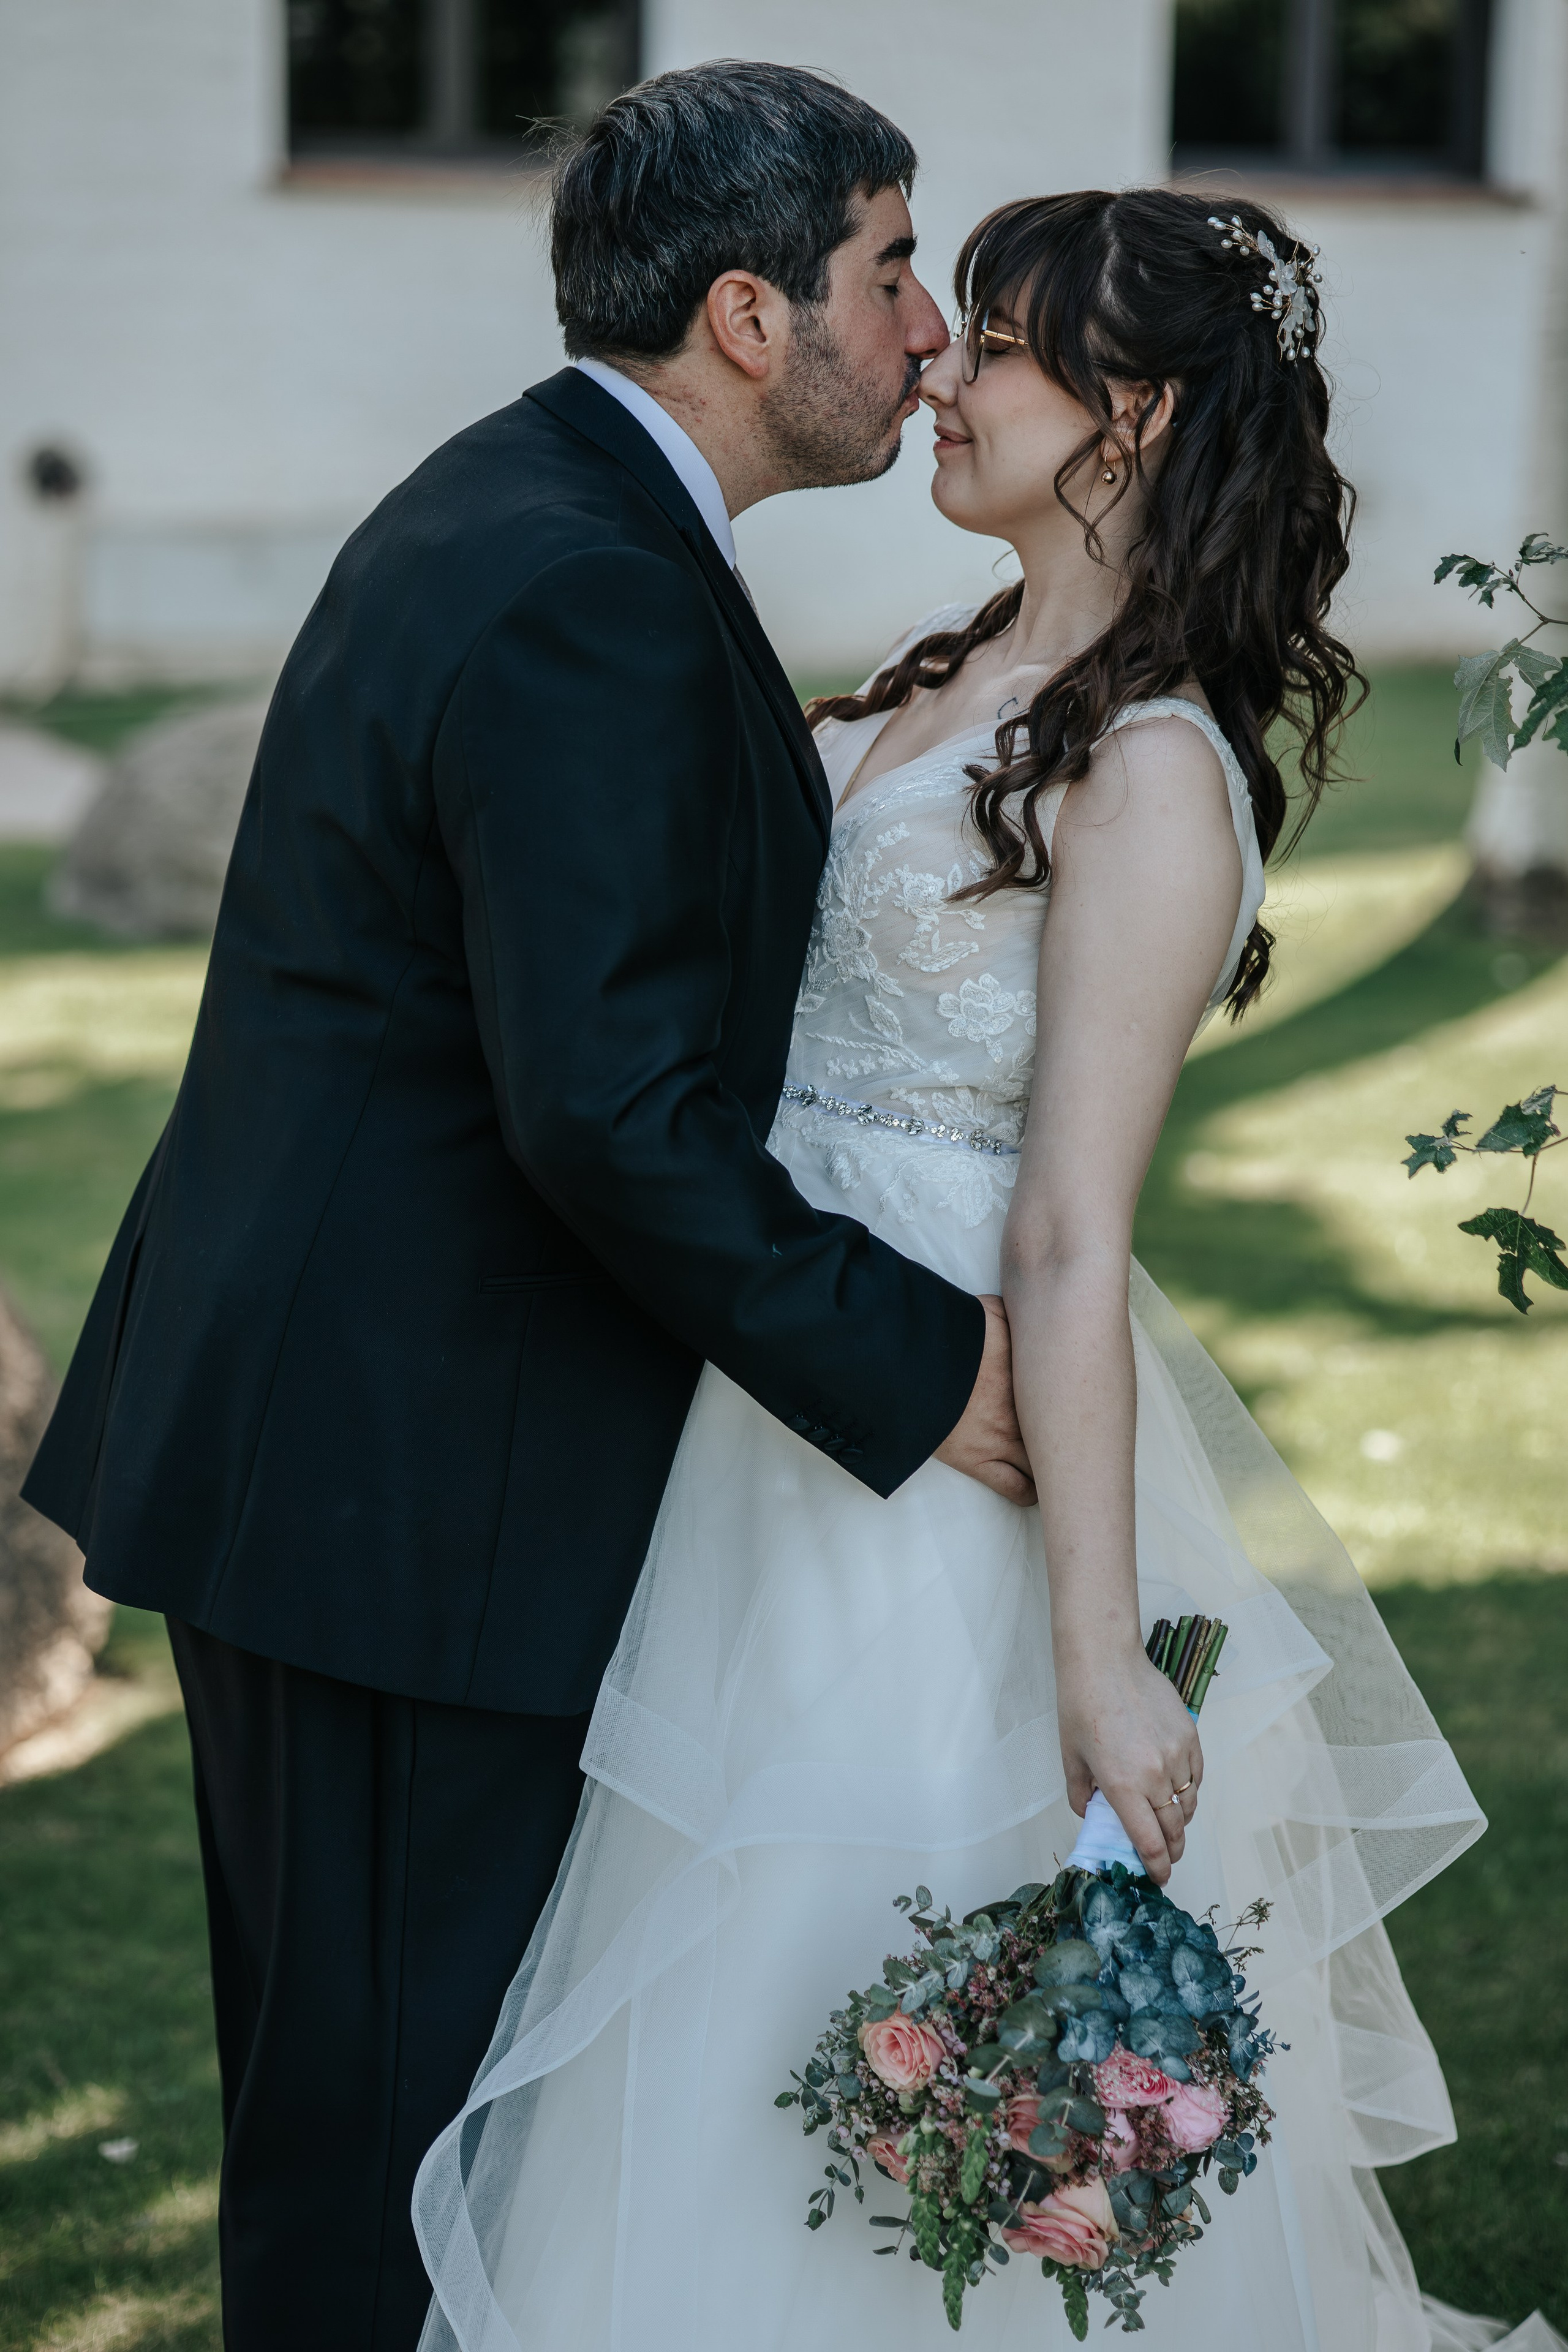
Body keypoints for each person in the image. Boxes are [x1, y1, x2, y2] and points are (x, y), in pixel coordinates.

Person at [411, 190, 1551, 2352]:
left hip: (950, 1436)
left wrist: (1100, 1659)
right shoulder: (947, 683)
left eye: (1000, 344)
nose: (937, 362)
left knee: (887, 1954)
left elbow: (1069, 1228)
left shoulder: (1154, 773)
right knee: (706, 1968)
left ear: (1130, 420)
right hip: (771, 1395)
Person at [20, 63, 1035, 2351]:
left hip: (359, 1443)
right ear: (754, 314)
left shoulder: (552, 505)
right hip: (396, 1487)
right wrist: (924, 1370)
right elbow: (605, 1111)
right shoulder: (586, 577)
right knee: (389, 2152)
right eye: (896, 272)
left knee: (405, 2122)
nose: (934, 336)